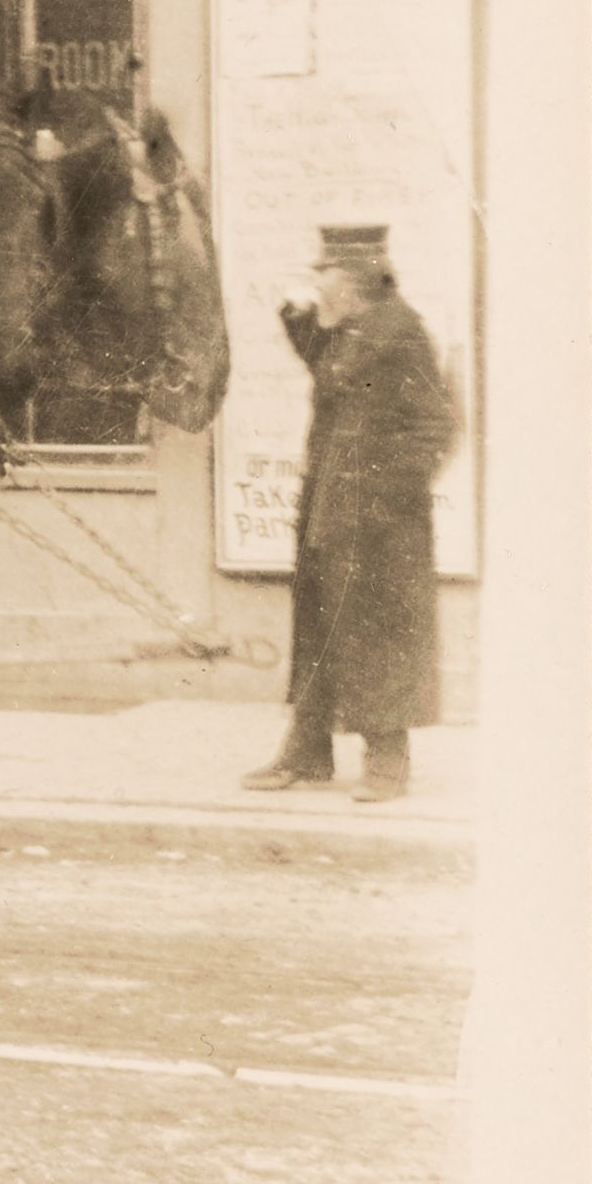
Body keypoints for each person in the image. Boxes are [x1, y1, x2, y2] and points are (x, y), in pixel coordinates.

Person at [244, 224, 459, 802]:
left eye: (326, 277)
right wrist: (294, 315)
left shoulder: (401, 331)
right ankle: (309, 752)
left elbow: (435, 427)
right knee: (320, 624)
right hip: (328, 509)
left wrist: (385, 498)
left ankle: (388, 760)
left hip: (380, 521)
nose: (320, 287)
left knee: (380, 635)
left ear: (355, 281)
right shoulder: (352, 327)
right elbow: (327, 365)